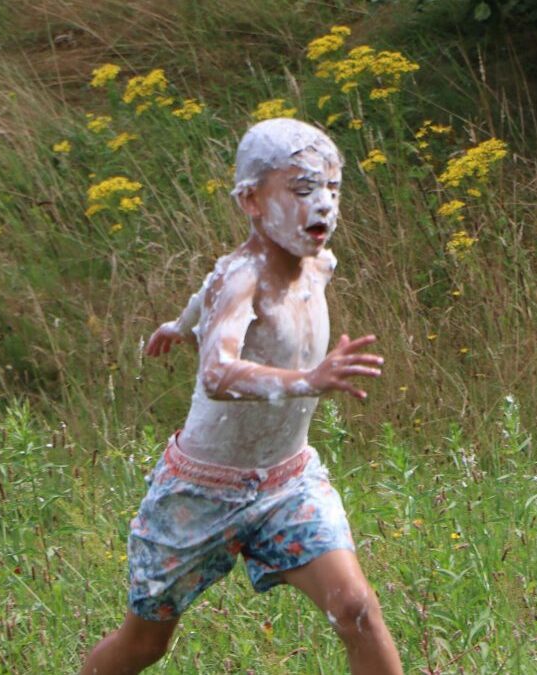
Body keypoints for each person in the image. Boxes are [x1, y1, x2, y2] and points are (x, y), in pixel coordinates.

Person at [80, 118, 403, 674]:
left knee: (355, 609)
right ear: (251, 200)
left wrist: (180, 323)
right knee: (145, 645)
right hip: (200, 492)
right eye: (302, 189)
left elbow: (204, 287)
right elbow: (217, 374)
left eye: (333, 188)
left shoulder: (319, 266)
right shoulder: (242, 279)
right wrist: (309, 380)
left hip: (288, 482)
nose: (323, 205)